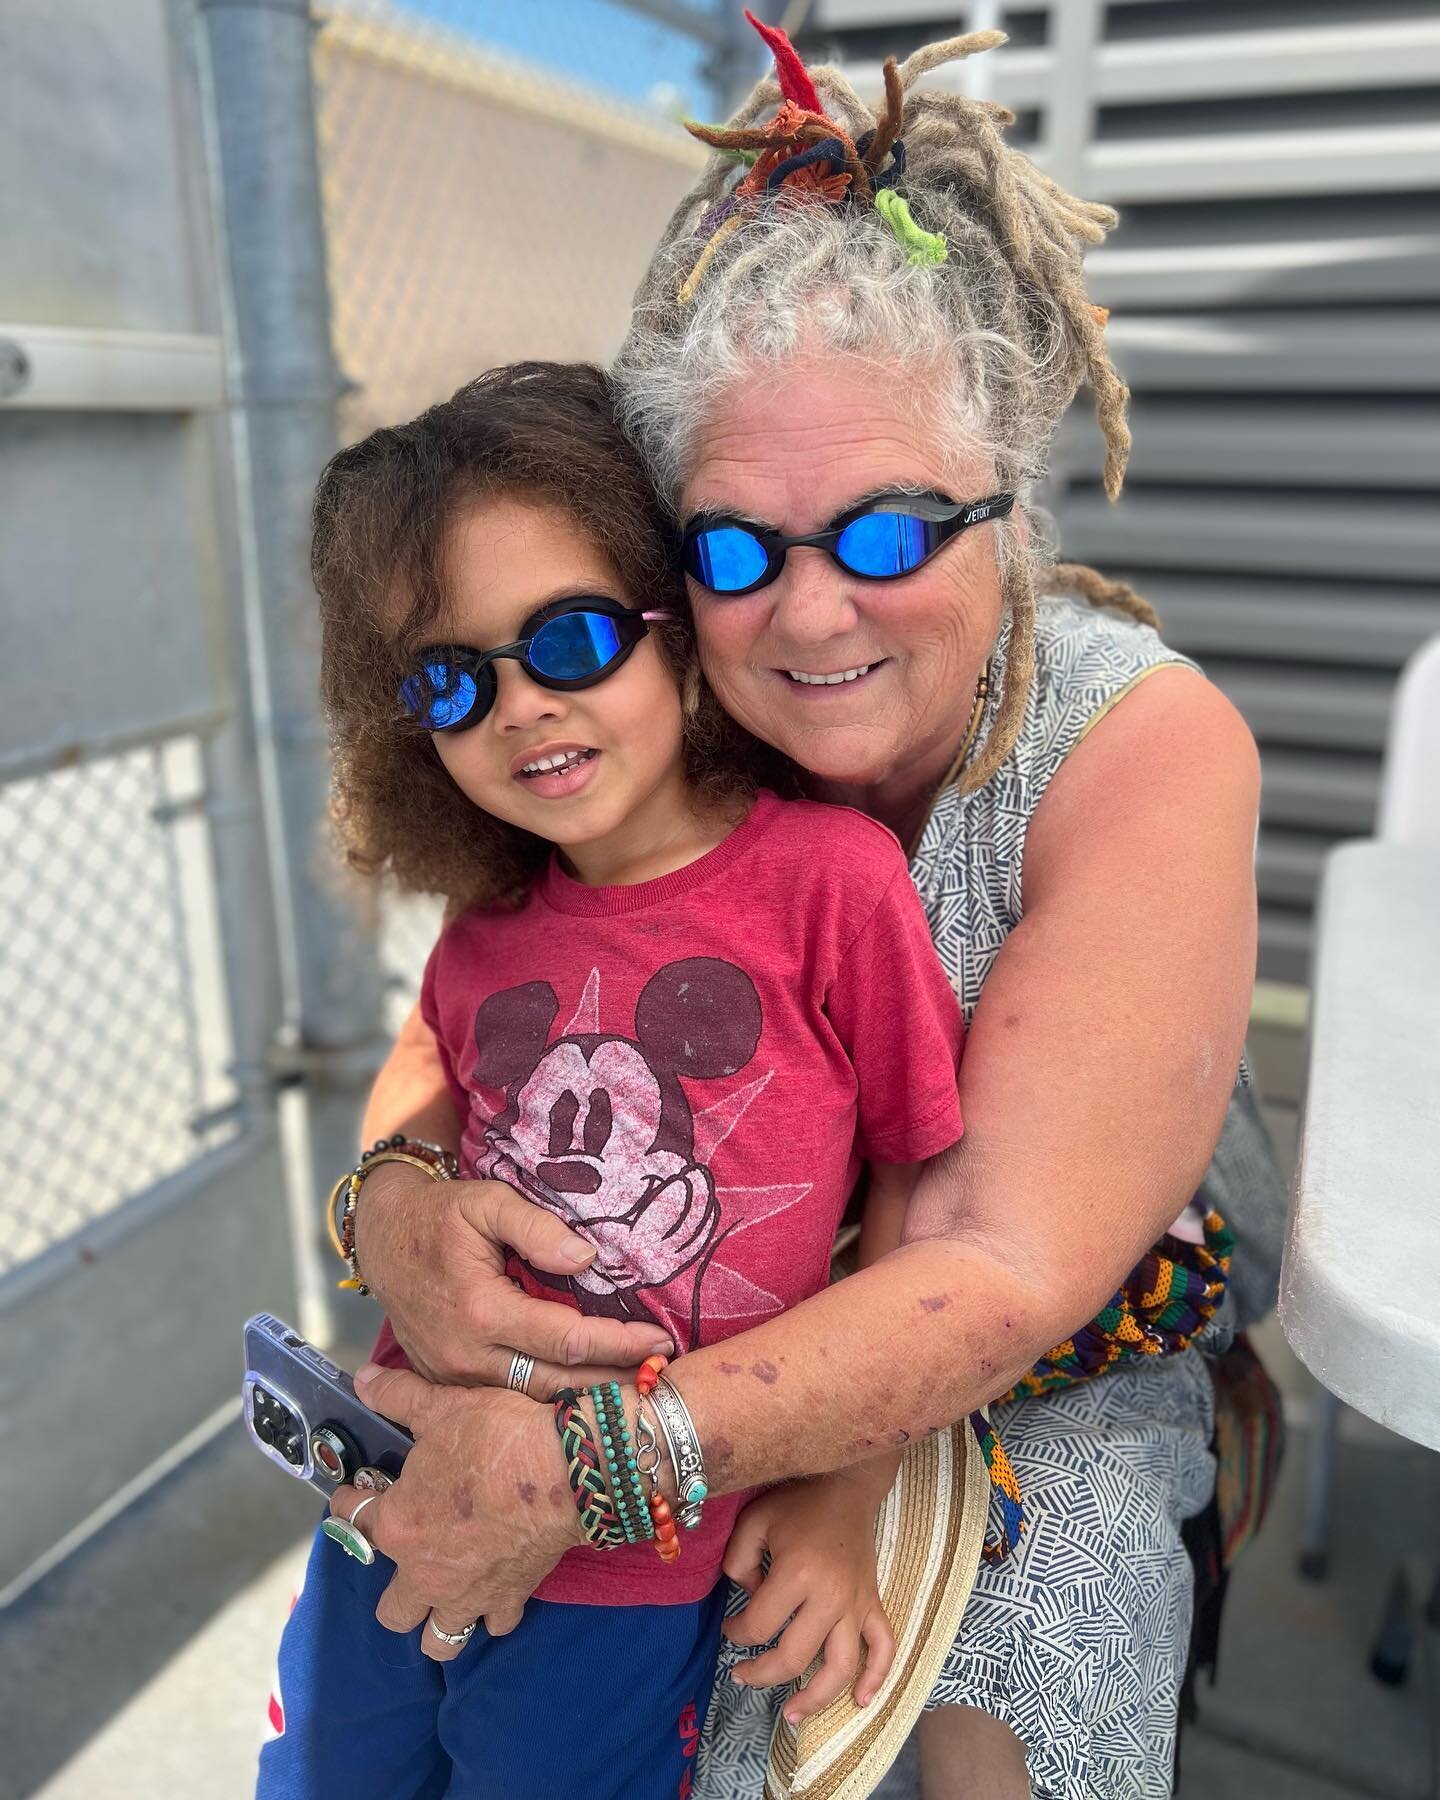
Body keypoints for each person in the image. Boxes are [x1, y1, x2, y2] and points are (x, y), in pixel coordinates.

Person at [324, 19, 1284, 1800]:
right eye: (740, 546)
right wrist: (388, 1205)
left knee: (1021, 1685)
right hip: (683, 1325)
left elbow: (994, 1271)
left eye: (892, 531)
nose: (816, 614)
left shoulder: (1135, 744)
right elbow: (473, 1008)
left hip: (1044, 1368)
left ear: (1009, 498)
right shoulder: (657, 727)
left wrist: (587, 1471)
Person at [258, 359, 976, 1800]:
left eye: (573, 639)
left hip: (635, 1573)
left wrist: (841, 1496)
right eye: (454, 680)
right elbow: (425, 1146)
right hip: (393, 1497)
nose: (521, 707)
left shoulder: (830, 886)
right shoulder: (483, 934)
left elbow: (917, 1182)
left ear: (670, 628)